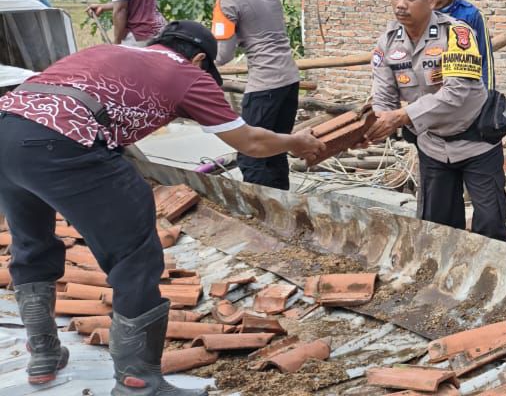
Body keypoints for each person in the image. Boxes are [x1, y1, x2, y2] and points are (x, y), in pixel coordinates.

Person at [0, 21, 324, 394]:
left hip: (8, 128)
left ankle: (43, 353)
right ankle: (139, 382)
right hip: (66, 142)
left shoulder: (106, 51)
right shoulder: (187, 74)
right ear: (200, 58)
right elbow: (249, 141)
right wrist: (295, 142)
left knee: (32, 244)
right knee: (135, 255)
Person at [363, 0, 506, 241]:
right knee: (436, 229)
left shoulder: (458, 34)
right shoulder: (387, 42)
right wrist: (376, 124)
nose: (401, 4)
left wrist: (403, 117)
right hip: (432, 145)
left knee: (490, 225)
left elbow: (456, 92)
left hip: (475, 141)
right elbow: (383, 95)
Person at [191, 0, 301, 191]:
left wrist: (199, 60)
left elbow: (223, 55)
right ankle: (283, 206)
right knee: (276, 148)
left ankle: (261, 213)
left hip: (264, 85)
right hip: (290, 80)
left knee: (251, 154)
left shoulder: (227, 1)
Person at [422, 0, 496, 89]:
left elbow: (485, 61)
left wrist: (488, 98)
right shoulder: (421, 15)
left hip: (465, 93)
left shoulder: (471, 15)